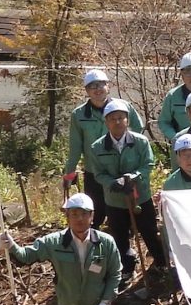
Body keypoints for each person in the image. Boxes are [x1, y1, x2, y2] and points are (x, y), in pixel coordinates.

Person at [6, 193, 121, 305]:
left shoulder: (106, 243)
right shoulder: (53, 242)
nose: (80, 219)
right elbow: (27, 256)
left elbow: (115, 274)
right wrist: (11, 246)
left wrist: (105, 303)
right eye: (74, 214)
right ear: (67, 216)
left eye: (84, 214)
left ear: (92, 216)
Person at [60, 68, 143, 244]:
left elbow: (137, 130)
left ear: (108, 86)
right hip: (94, 172)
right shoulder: (79, 114)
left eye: (101, 85)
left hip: (121, 171)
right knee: (95, 210)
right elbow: (75, 146)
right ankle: (93, 245)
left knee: (122, 213)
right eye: (92, 86)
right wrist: (70, 172)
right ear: (86, 91)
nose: (97, 89)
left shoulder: (123, 107)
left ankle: (125, 248)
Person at [85, 100, 166, 277]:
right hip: (114, 200)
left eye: (121, 118)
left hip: (140, 197)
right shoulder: (97, 147)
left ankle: (161, 263)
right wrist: (113, 182)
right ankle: (127, 268)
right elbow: (98, 173)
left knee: (150, 232)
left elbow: (148, 164)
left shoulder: (141, 142)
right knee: (120, 236)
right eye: (113, 118)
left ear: (127, 120)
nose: (117, 122)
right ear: (106, 122)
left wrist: (133, 177)